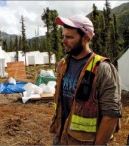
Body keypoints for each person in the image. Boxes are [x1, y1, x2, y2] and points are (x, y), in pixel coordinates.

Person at [49, 15, 122, 145]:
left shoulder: (102, 69)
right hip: (61, 138)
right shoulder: (63, 64)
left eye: (69, 37)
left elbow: (111, 115)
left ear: (86, 38)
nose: (63, 41)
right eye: (64, 36)